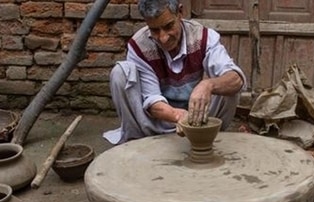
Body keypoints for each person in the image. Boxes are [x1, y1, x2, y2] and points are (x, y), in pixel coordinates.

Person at [103, 0, 246, 144]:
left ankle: (213, 135)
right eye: (155, 30)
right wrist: (178, 116)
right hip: (157, 121)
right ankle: (136, 141)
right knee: (120, 73)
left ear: (180, 13)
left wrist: (208, 85)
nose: (163, 38)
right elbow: (152, 100)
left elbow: (236, 79)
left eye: (168, 26)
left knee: (229, 81)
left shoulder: (203, 37)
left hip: (198, 115)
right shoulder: (139, 46)